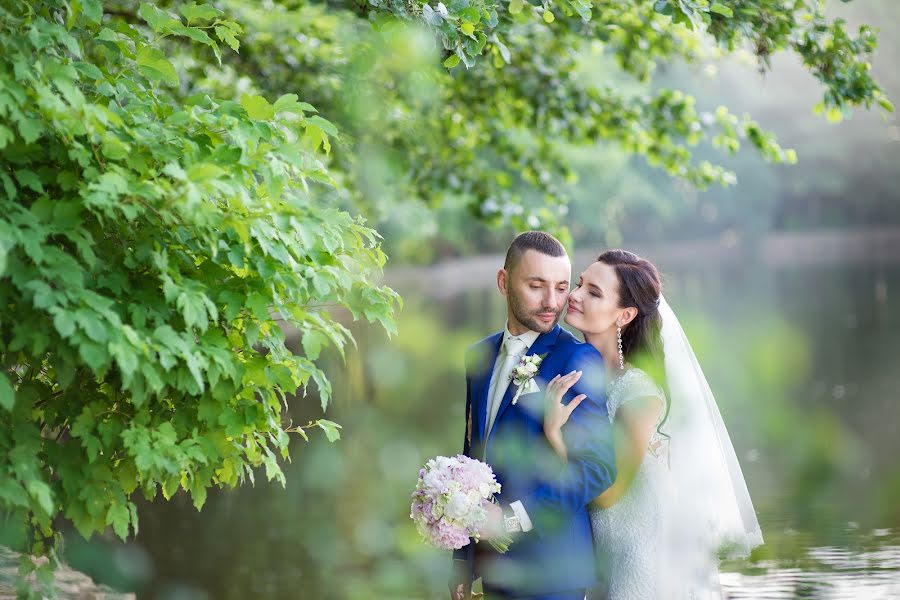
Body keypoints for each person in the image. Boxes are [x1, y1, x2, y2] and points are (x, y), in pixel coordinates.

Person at [543, 249, 764, 599]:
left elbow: (611, 494)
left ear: (625, 314)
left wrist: (554, 434)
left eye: (594, 292)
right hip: (602, 548)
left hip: (639, 549)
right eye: (580, 283)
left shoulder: (638, 392)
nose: (574, 295)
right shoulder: (580, 375)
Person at [450, 231, 617, 600]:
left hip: (553, 572)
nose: (551, 302)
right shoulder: (477, 357)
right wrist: (462, 560)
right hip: (495, 572)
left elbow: (598, 469)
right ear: (503, 282)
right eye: (536, 286)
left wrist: (512, 520)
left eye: (561, 287)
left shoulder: (576, 360)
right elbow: (472, 457)